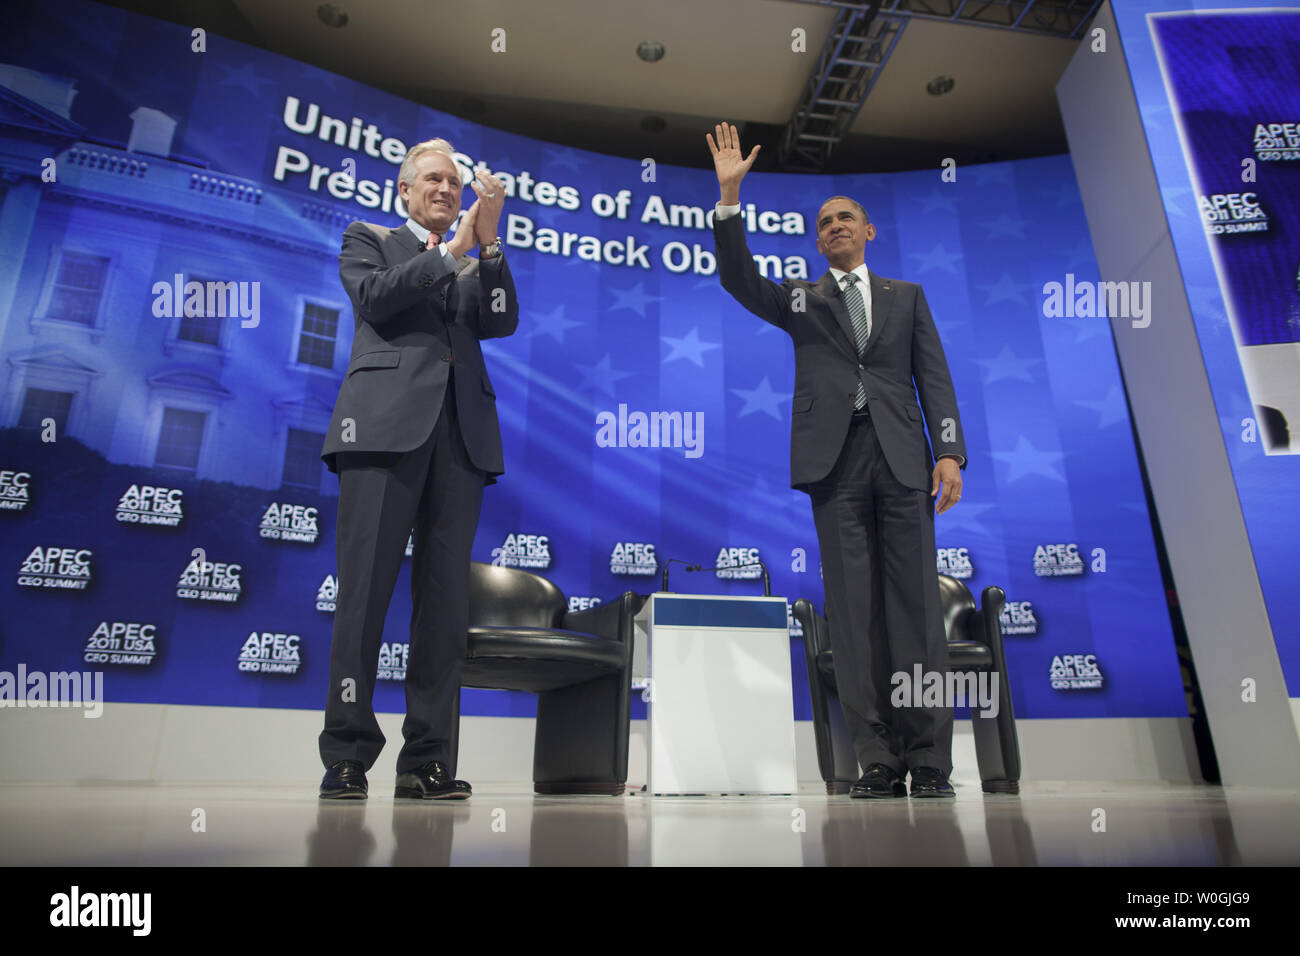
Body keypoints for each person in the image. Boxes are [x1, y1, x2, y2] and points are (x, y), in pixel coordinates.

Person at [708, 123, 966, 798]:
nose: (834, 227)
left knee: (915, 612)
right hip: (834, 466)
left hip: (905, 461)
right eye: (824, 223)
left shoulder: (907, 298)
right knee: (853, 617)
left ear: (869, 232)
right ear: (817, 240)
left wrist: (949, 452)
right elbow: (738, 278)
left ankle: (929, 758)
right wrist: (730, 200)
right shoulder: (802, 299)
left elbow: (933, 377)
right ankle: (876, 758)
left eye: (845, 217)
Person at [316, 139, 517, 800]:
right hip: (379, 433)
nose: (445, 189)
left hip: (460, 440)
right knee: (364, 597)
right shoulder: (368, 238)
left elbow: (501, 321)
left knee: (443, 608)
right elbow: (375, 299)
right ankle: (347, 756)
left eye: (455, 184)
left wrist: (488, 246)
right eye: (432, 179)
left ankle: (427, 759)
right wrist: (454, 249)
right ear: (403, 190)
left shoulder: (470, 253)